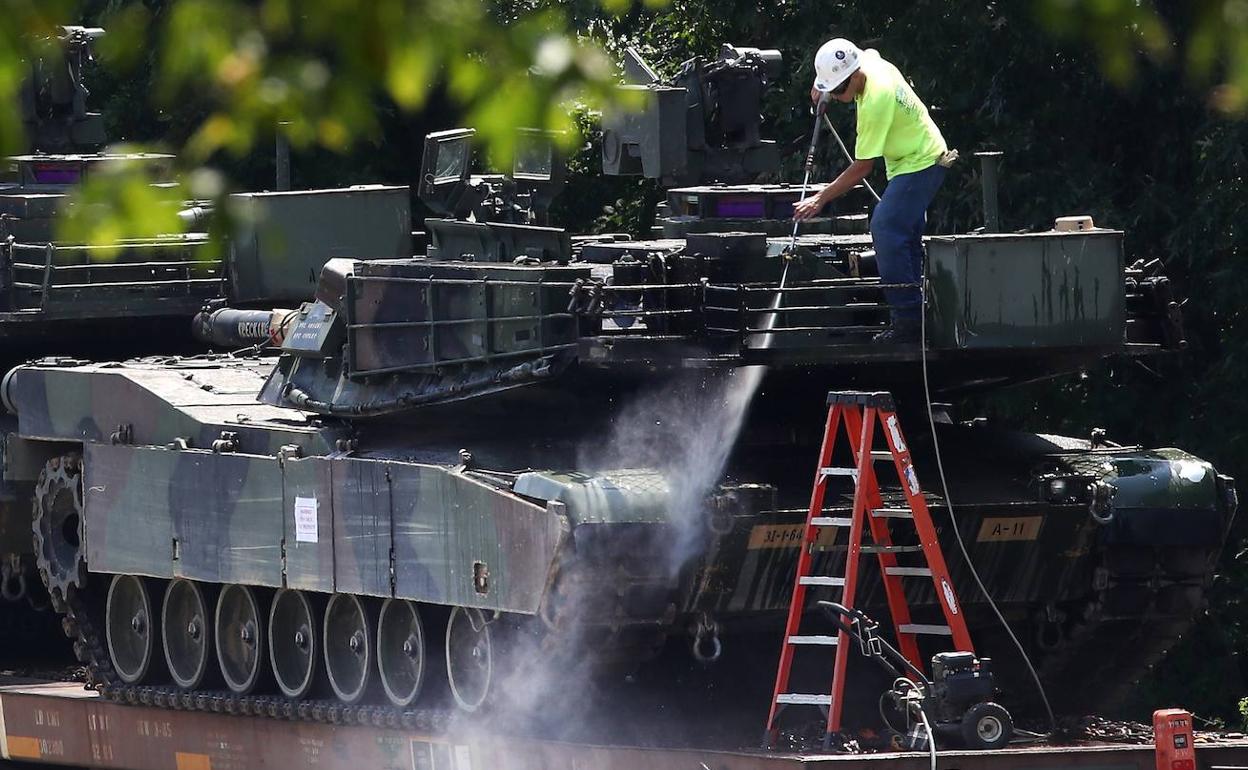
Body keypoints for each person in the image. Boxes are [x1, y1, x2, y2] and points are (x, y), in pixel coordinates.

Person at [793, 39, 952, 343]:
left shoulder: (876, 100)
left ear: (854, 76)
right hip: (914, 158)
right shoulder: (868, 62)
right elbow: (866, 53)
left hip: (921, 161)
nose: (838, 97)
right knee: (905, 235)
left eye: (839, 90)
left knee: (885, 226)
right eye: (832, 89)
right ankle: (918, 315)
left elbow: (862, 167)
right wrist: (826, 86)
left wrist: (820, 198)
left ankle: (907, 322)